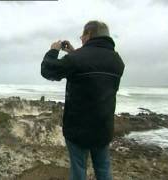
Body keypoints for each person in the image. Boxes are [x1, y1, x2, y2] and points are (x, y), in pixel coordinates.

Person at [41, 20, 125, 180]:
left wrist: (53, 51)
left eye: (82, 35)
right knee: (103, 168)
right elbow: (92, 65)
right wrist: (73, 52)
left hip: (78, 128)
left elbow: (48, 70)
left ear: (89, 35)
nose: (81, 39)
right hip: (103, 127)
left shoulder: (78, 59)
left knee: (78, 170)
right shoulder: (117, 61)